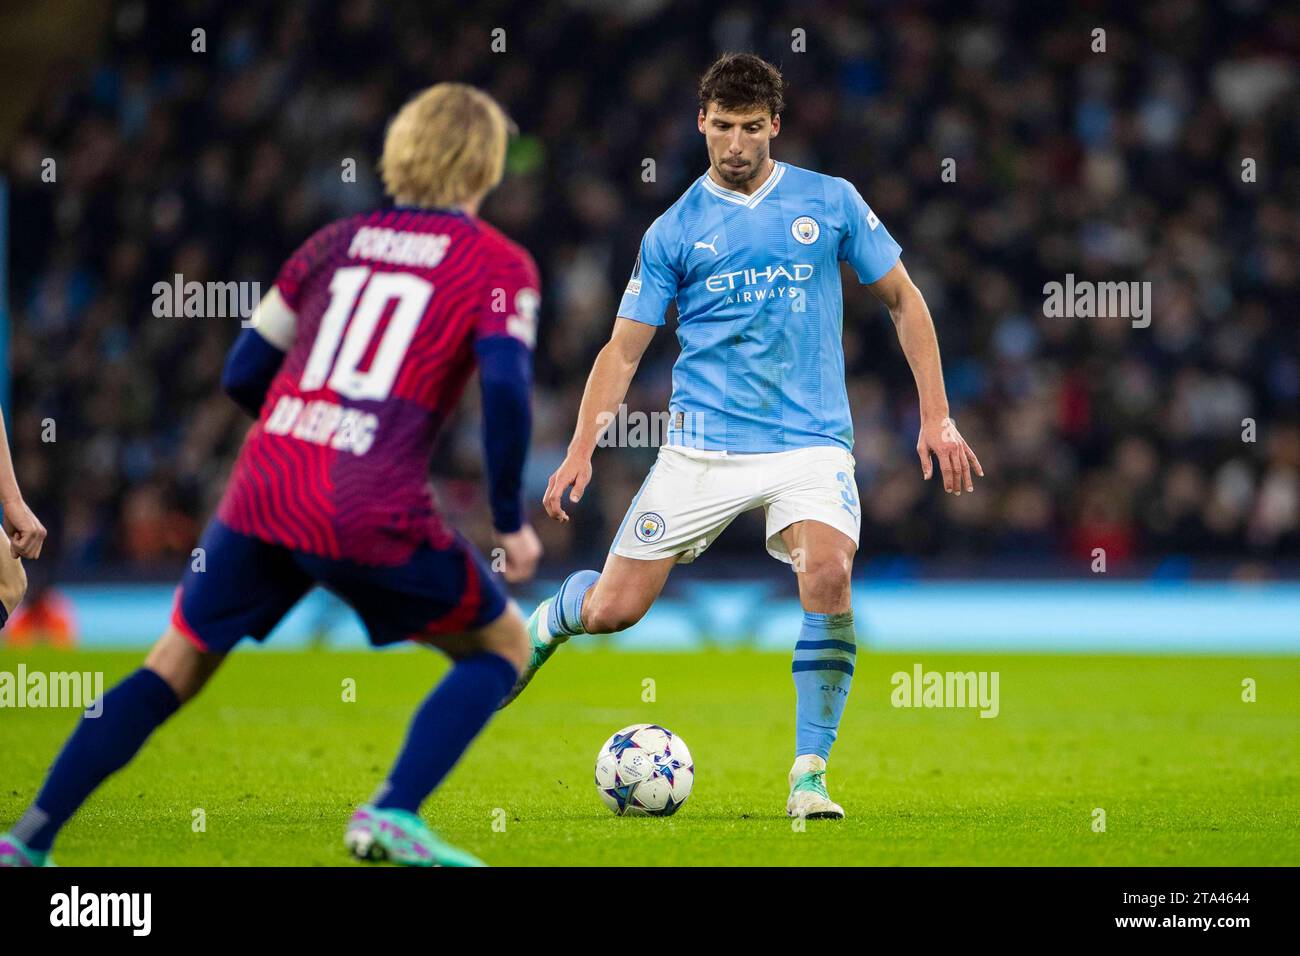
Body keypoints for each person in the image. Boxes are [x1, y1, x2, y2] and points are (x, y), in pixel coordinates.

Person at [1, 83, 542, 867]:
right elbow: (504, 386)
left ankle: (28, 839)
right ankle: (392, 812)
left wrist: (304, 429)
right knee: (501, 646)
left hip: (265, 484)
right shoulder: (497, 262)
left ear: (401, 154)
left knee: (175, 662)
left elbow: (244, 369)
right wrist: (508, 518)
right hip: (367, 501)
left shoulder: (333, 243)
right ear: (485, 167)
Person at [501, 54, 982, 821]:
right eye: (721, 127)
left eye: (750, 128)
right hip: (700, 449)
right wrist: (581, 448)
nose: (734, 143)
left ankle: (809, 776)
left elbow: (903, 300)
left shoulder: (830, 203)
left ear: (775, 127)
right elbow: (623, 349)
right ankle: (556, 615)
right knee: (615, 612)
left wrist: (936, 415)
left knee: (828, 573)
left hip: (809, 444)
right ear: (701, 123)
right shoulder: (674, 231)